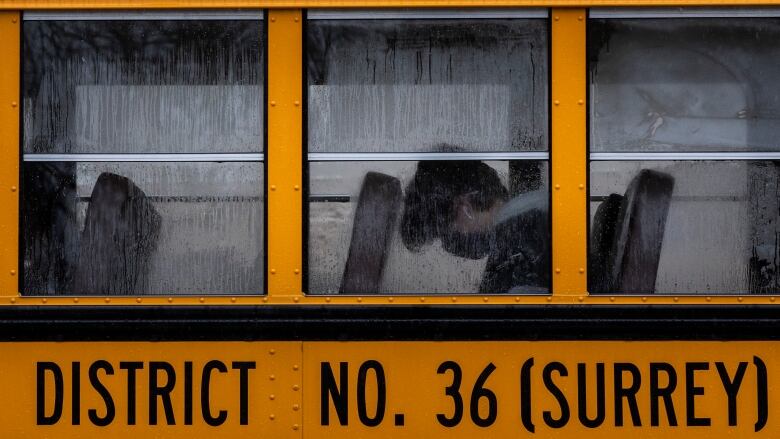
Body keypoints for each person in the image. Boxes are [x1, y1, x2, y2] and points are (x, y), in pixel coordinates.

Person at [400, 160, 550, 294]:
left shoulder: (519, 242)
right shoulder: (530, 218)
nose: (448, 245)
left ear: (465, 208)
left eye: (445, 233)